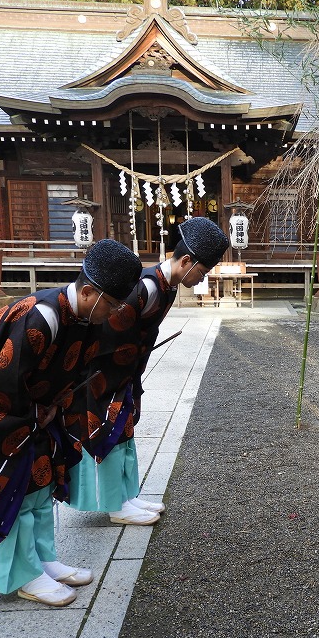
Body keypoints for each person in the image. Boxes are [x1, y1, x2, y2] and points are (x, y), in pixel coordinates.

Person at [0, 239, 142, 606]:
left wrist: (53, 410)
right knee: (11, 491)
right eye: (112, 304)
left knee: (40, 486)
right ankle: (22, 574)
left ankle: (43, 559)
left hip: (33, 417)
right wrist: (36, 414)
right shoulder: (39, 317)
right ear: (90, 292)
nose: (113, 314)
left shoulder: (81, 317)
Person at [66, 216, 231, 525]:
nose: (202, 277)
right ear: (186, 260)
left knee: (124, 431)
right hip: (103, 376)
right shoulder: (145, 287)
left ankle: (126, 495)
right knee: (108, 433)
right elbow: (105, 335)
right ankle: (115, 505)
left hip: (123, 374)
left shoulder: (166, 286)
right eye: (203, 270)